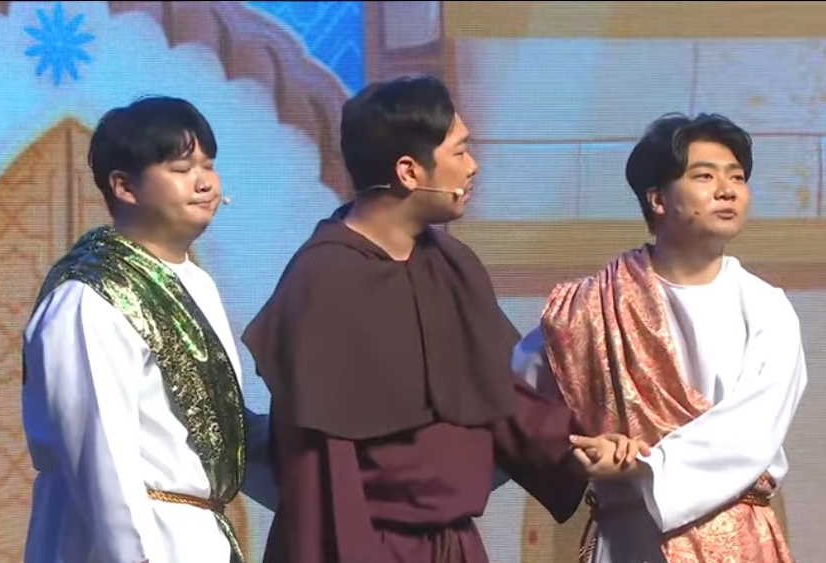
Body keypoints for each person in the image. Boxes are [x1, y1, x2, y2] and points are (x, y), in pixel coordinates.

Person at [241, 74, 647, 563]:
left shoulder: (451, 264)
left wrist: (577, 447)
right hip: (364, 546)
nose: (472, 167)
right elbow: (320, 462)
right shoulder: (322, 280)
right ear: (409, 171)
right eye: (459, 152)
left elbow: (499, 394)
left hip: (453, 544)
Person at [512, 113, 808, 563]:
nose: (727, 190)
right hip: (628, 537)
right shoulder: (592, 308)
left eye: (737, 177)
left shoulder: (767, 308)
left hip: (736, 537)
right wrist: (578, 451)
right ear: (657, 199)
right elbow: (514, 398)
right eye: (705, 176)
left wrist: (645, 466)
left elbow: (750, 432)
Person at [21, 96, 278, 563]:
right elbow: (101, 465)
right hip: (128, 541)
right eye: (181, 169)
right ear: (124, 186)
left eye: (208, 165)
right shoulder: (89, 299)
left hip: (198, 536)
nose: (205, 182)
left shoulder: (195, 281)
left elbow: (222, 431)